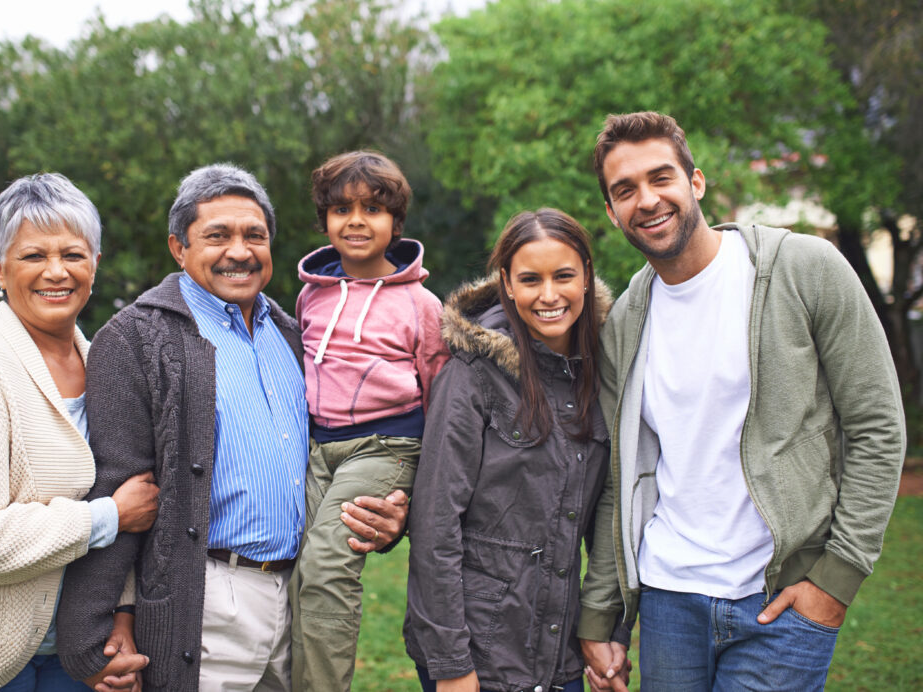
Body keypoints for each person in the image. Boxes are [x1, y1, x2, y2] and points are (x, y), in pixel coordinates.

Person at [578, 111, 906, 692]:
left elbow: (877, 426)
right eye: (624, 190)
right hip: (667, 600)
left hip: (782, 603)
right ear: (611, 212)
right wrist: (603, 614)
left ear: (696, 181)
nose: (647, 200)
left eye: (662, 178)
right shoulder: (625, 320)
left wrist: (838, 576)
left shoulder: (804, 270)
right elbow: (618, 479)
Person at [55, 163, 410, 692]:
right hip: (202, 603)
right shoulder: (134, 339)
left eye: (255, 236)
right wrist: (99, 625)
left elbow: (341, 455)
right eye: (216, 236)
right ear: (179, 248)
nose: (239, 251)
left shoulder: (295, 333)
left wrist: (389, 521)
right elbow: (117, 487)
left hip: (296, 599)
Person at [0, 173, 159, 692]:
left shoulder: (105, 365)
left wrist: (120, 620)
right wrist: (105, 516)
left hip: (72, 651)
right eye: (33, 256)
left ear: (96, 264)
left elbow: (129, 498)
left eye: (73, 254)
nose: (56, 272)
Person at [405, 208, 621, 692]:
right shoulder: (472, 376)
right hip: (478, 654)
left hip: (559, 651)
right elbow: (436, 525)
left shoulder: (605, 372)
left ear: (586, 276)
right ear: (506, 282)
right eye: (530, 279)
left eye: (563, 275)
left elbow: (610, 517)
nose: (549, 295)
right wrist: (451, 665)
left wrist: (609, 632)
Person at [288, 150, 449, 692]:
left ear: (395, 223)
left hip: (386, 446)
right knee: (295, 564)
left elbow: (438, 387)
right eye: (342, 209)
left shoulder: (420, 304)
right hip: (318, 448)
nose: (356, 220)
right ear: (325, 221)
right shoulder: (311, 295)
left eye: (373, 209)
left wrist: (425, 483)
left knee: (329, 564)